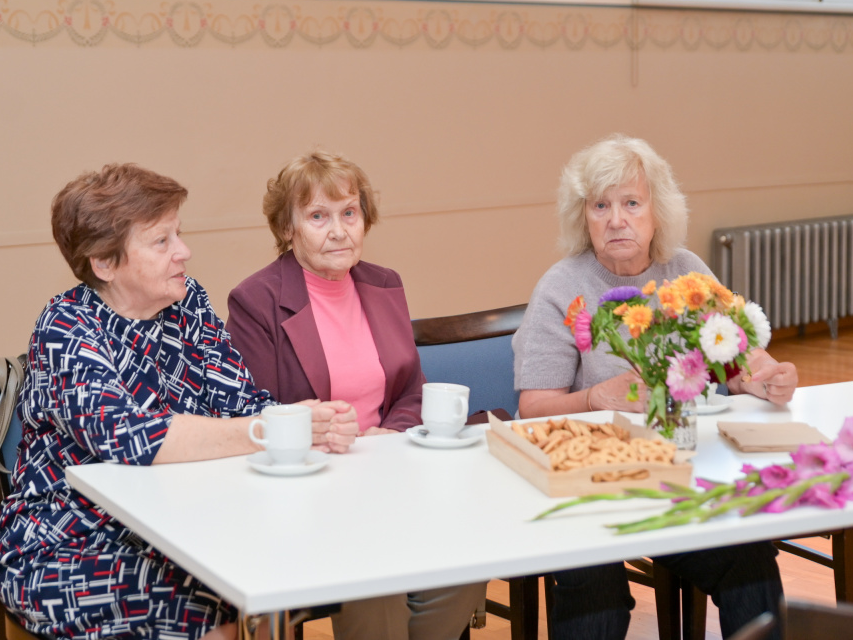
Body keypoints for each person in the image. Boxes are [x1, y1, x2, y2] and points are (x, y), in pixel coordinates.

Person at [0, 163, 359, 640]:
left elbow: (243, 400)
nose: (184, 252)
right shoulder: (66, 327)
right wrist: (272, 429)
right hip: (72, 540)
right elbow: (133, 438)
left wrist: (307, 423)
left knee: (281, 578)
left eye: (178, 234)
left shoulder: (187, 305)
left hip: (185, 522)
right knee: (221, 607)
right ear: (104, 264)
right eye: (161, 241)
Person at [513, 134, 797, 640]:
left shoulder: (686, 272)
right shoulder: (561, 286)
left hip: (680, 481)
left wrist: (766, 377)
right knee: (595, 597)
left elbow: (738, 358)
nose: (615, 220)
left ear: (657, 211)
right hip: (591, 489)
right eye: (600, 206)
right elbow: (533, 408)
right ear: (583, 217)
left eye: (631, 203)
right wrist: (595, 398)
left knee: (749, 559)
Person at [227, 150, 486, 640]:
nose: (338, 231)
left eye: (349, 213)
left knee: (469, 556)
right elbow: (253, 412)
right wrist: (319, 429)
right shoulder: (256, 300)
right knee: (375, 577)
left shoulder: (384, 284)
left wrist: (389, 434)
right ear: (287, 228)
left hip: (391, 475)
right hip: (311, 490)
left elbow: (410, 389)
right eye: (318, 216)